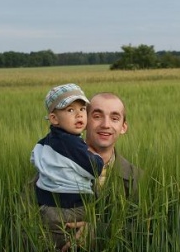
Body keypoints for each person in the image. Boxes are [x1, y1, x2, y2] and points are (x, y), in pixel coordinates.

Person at [61, 92, 143, 251]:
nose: (106, 124)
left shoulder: (139, 178)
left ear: (123, 127)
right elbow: (29, 220)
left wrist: (99, 231)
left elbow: (147, 229)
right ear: (84, 121)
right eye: (97, 116)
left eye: (114, 118)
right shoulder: (53, 167)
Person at [30, 83, 104, 250]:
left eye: (82, 109)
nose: (78, 115)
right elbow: (94, 169)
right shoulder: (71, 143)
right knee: (78, 242)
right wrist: (96, 157)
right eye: (70, 110)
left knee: (55, 244)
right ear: (54, 118)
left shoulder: (46, 141)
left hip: (47, 207)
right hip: (70, 208)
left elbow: (35, 157)